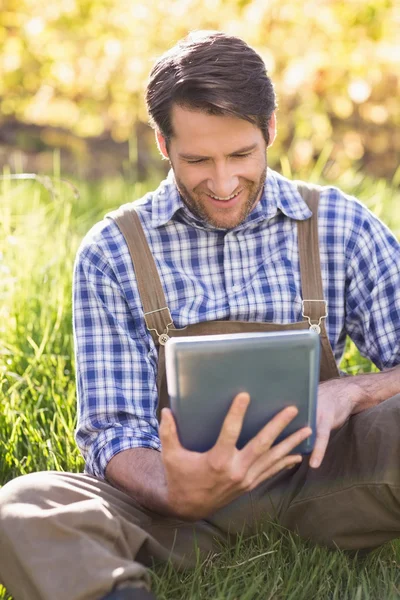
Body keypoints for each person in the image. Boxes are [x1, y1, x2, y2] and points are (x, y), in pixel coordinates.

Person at [1, 30, 400, 600]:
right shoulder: (113, 252)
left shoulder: (339, 224)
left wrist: (352, 393)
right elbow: (114, 430)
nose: (222, 183)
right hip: (176, 514)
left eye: (241, 155)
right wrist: (173, 491)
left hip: (326, 486)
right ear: (163, 146)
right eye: (197, 160)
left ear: (269, 131)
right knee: (24, 506)